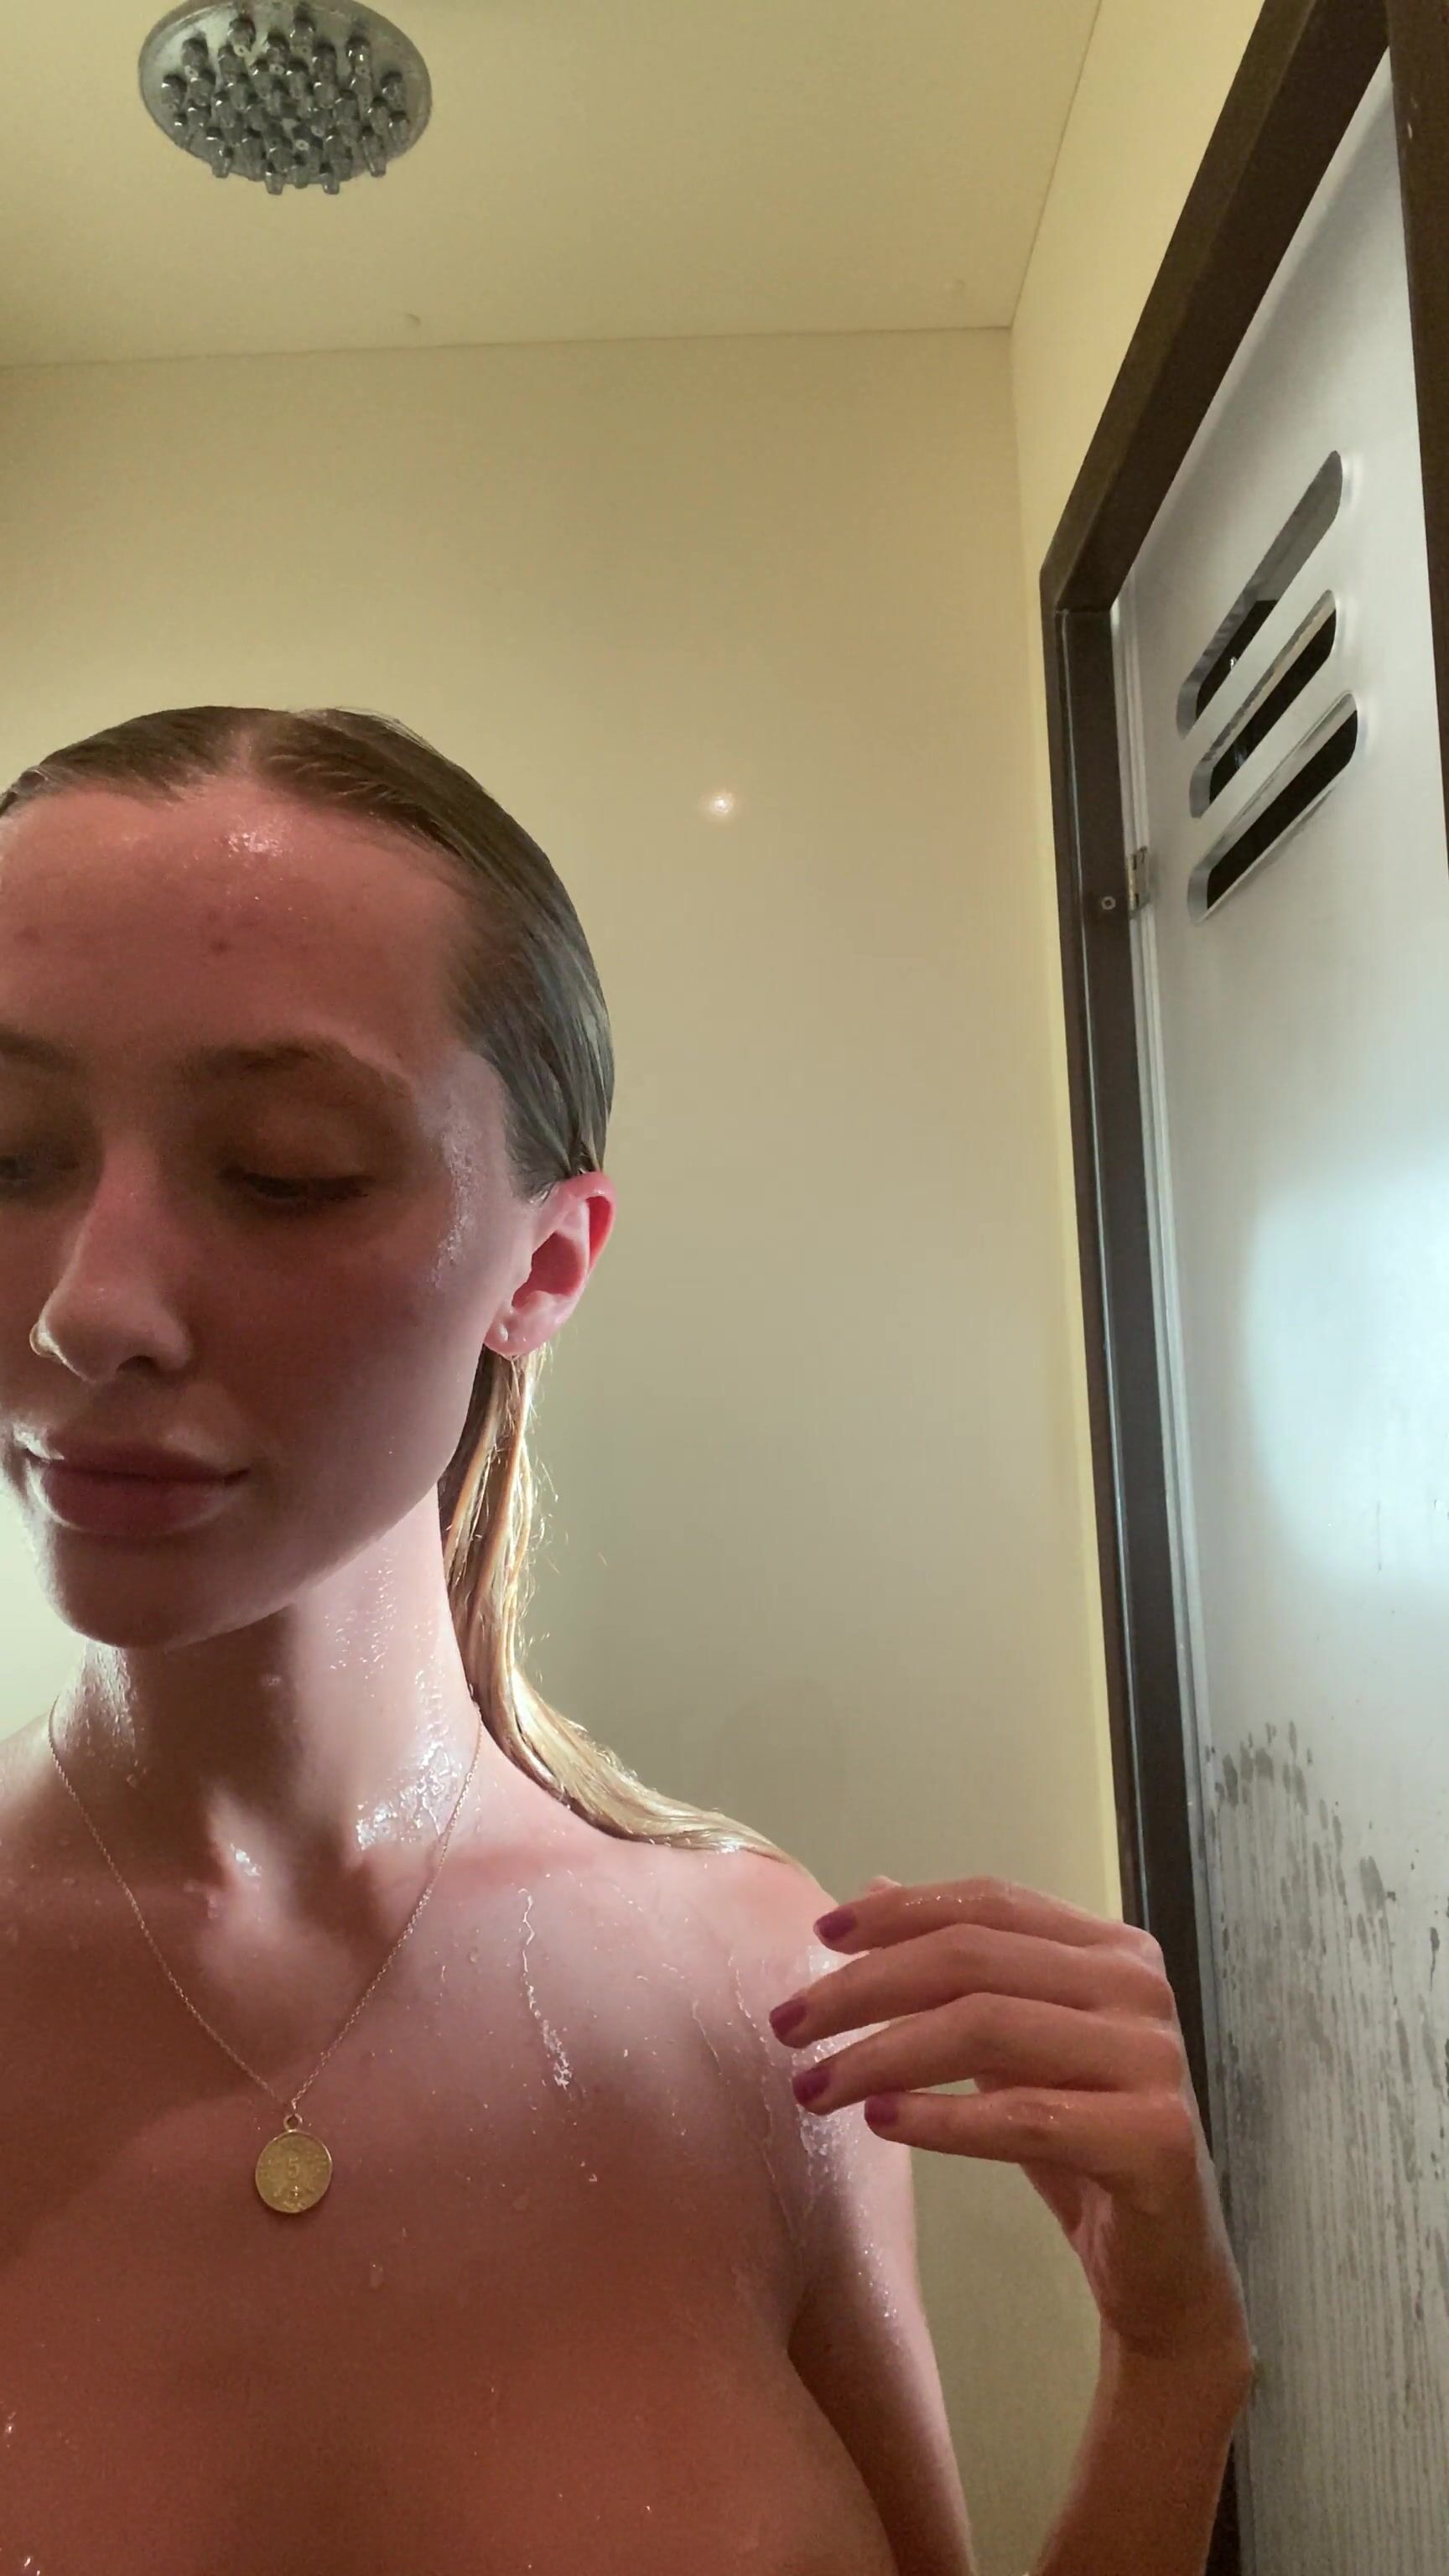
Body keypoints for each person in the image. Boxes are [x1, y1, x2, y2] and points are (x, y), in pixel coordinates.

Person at [0, 704, 1252, 2574]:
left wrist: (1177, 2371)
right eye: (6, 1150)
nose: (90, 1310)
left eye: (284, 1168)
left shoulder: (770, 2005)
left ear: (546, 1264)